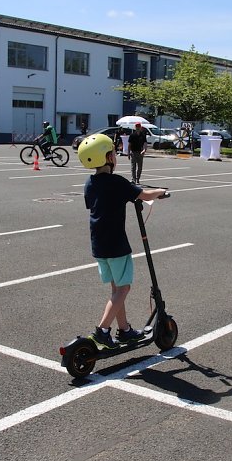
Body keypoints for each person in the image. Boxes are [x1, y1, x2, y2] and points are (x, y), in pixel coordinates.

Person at [79, 133, 167, 349]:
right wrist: (161, 191)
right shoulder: (117, 182)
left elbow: (93, 204)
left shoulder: (89, 183)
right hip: (116, 243)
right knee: (124, 288)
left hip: (98, 244)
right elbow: (143, 195)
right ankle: (102, 331)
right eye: (114, 153)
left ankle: (125, 330)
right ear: (109, 157)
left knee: (116, 288)